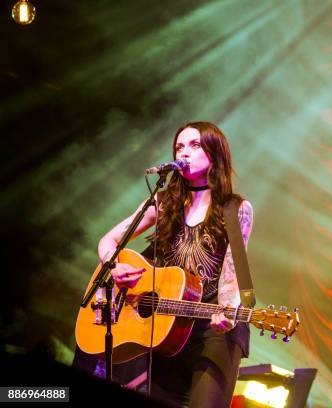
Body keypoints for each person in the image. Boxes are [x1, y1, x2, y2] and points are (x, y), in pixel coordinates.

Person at [97, 121, 253, 407]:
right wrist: (114, 266)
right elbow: (109, 241)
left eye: (195, 146)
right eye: (180, 147)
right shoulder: (163, 202)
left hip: (214, 329)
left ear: (215, 154)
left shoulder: (236, 208)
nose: (185, 153)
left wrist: (228, 311)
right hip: (168, 328)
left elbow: (235, 274)